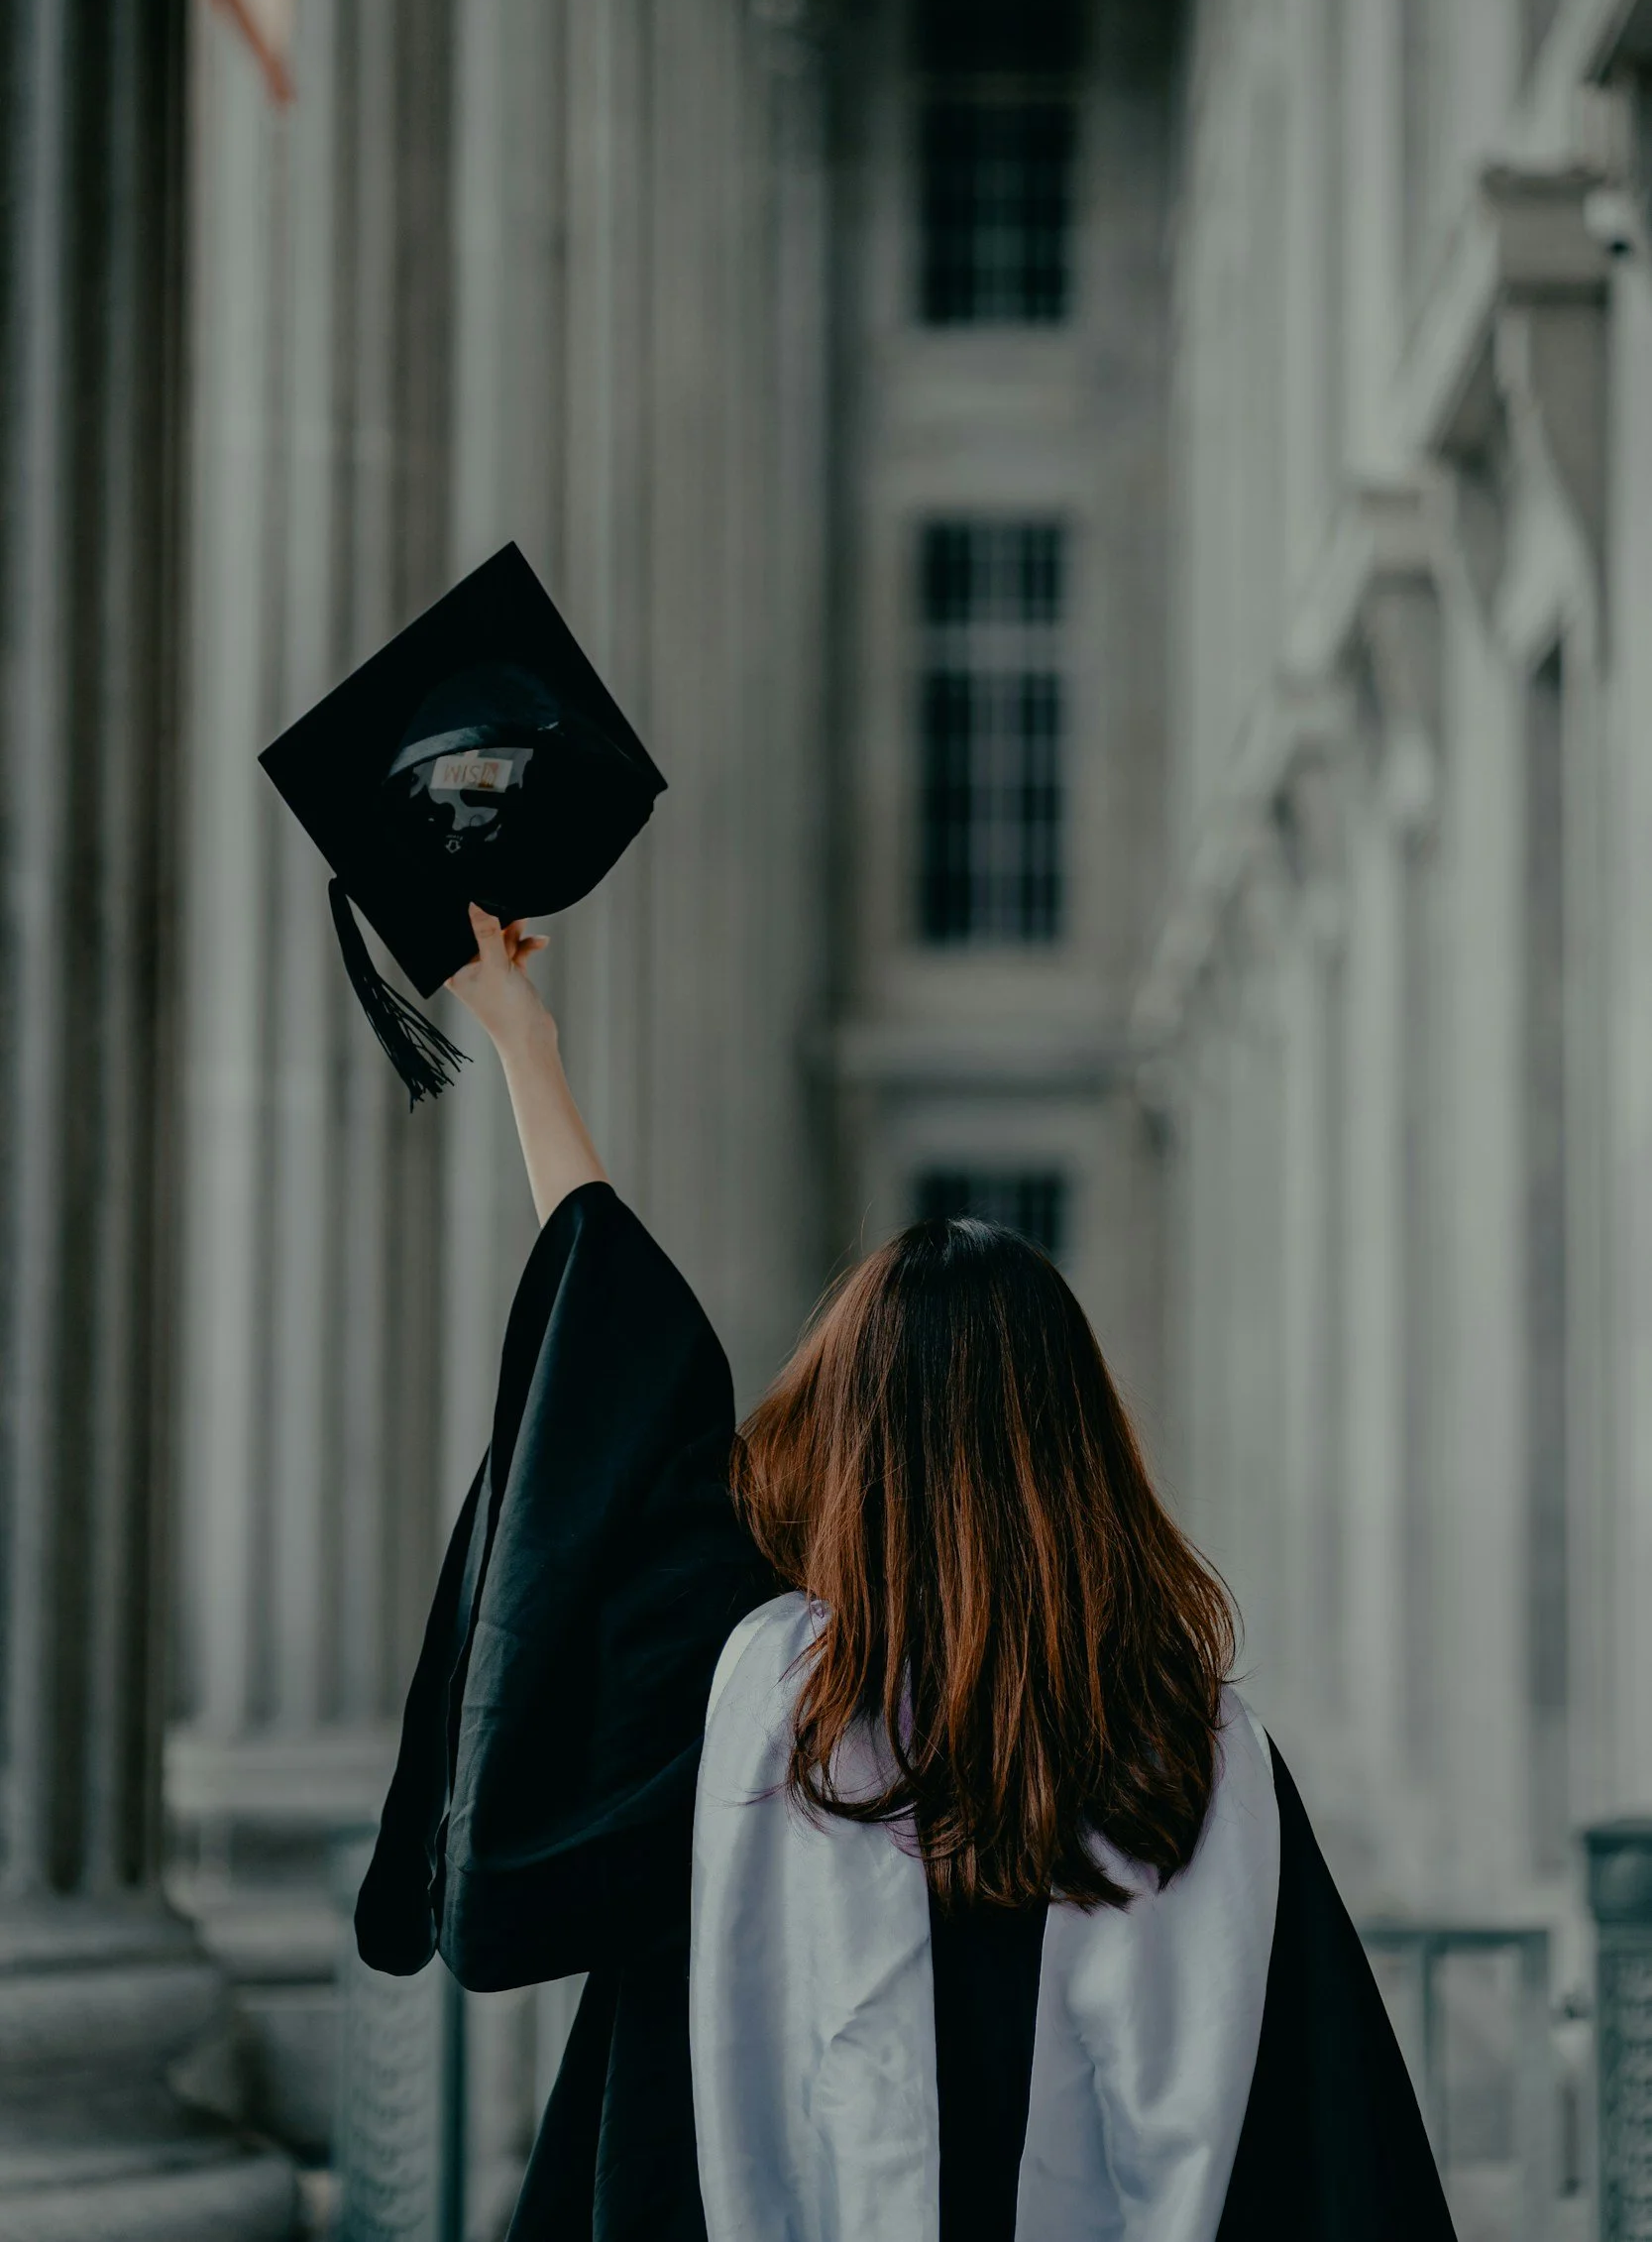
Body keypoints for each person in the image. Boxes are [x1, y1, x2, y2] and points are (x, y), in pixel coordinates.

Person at [354, 906, 1457, 2242]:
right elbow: (1333, 2160)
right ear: (1080, 1453)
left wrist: (526, 1044)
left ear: (840, 1442)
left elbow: (614, 1384)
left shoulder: (754, 1707)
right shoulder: (1197, 1753)